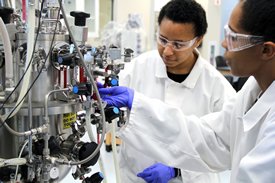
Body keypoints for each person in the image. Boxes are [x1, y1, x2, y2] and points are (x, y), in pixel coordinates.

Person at [99, 0, 275, 182]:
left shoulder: (217, 86)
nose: (223, 43)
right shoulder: (251, 92)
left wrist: (176, 170)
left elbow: (220, 154)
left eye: (233, 37)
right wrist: (133, 105)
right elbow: (209, 138)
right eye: (163, 39)